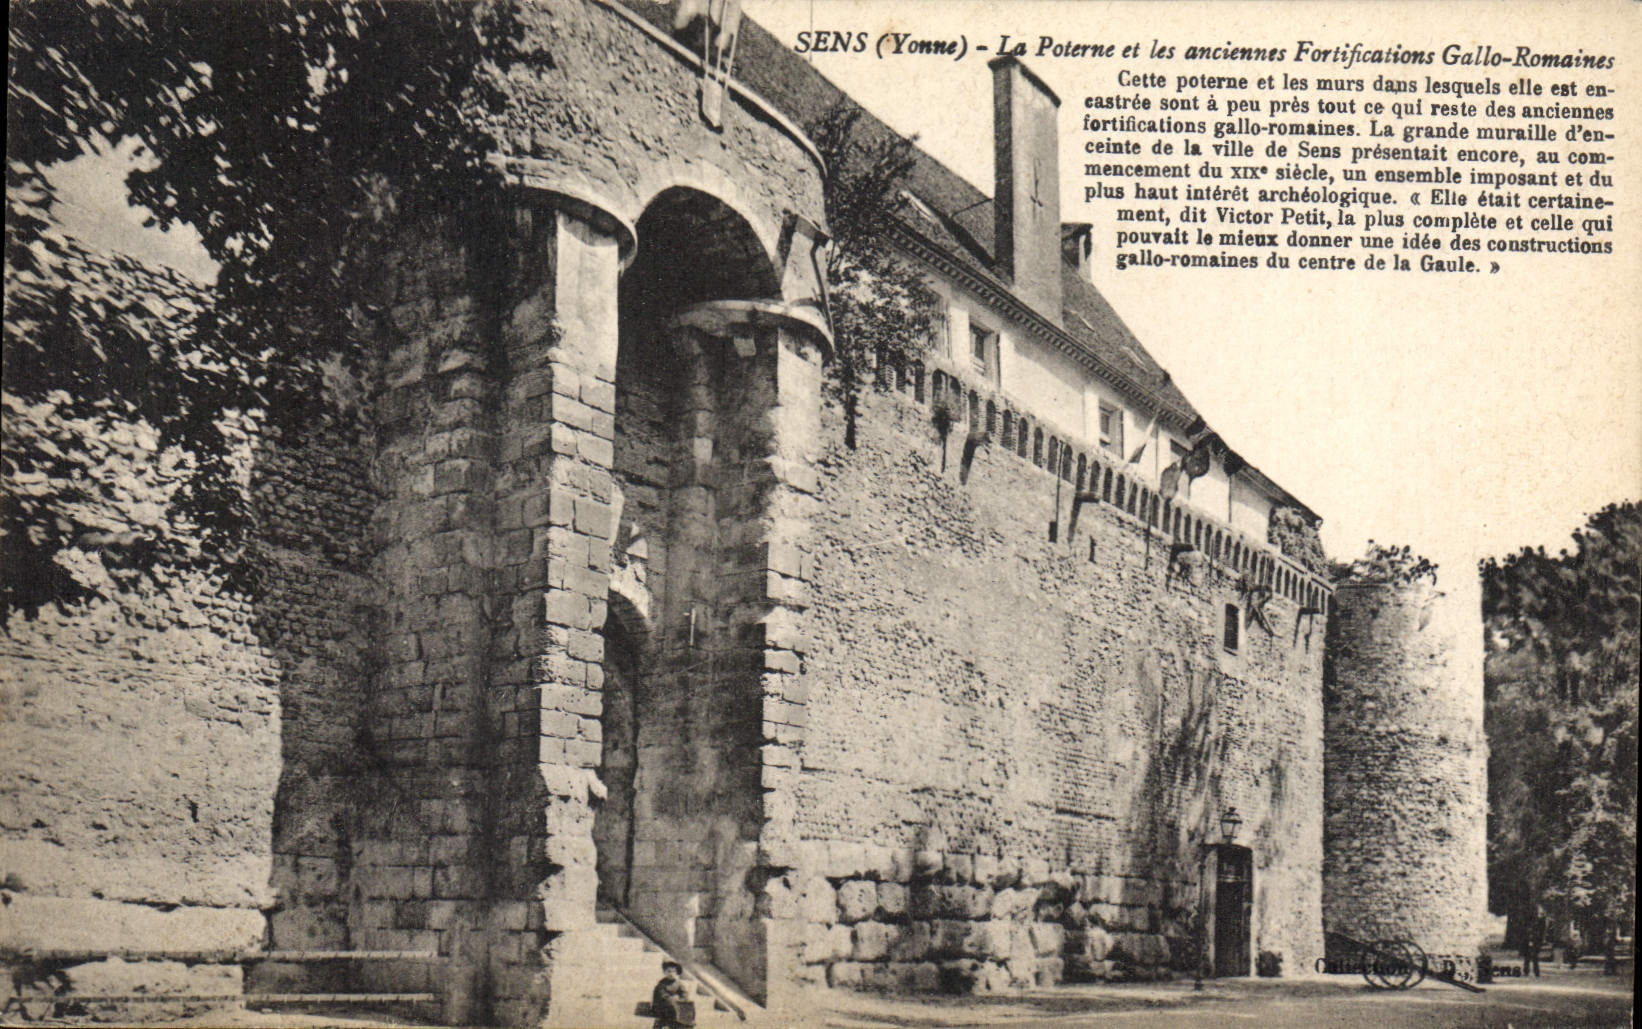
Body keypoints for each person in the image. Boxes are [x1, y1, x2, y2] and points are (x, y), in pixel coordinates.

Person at [651, 960, 694, 1029]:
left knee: (688, 1004)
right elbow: (662, 995)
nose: (671, 973)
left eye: (674, 971)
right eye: (669, 971)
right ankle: (674, 1023)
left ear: (677, 973)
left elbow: (684, 993)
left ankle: (687, 1023)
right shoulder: (662, 983)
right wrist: (671, 998)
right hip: (662, 1005)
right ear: (665, 972)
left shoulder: (678, 983)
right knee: (671, 1004)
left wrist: (681, 998)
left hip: (675, 1004)